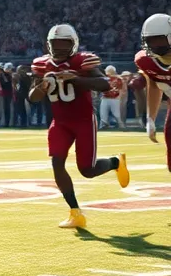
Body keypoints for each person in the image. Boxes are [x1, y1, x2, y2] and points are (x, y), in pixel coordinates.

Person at [29, 24, 129, 229]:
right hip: (60, 122)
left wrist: (76, 78)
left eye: (64, 43)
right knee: (57, 162)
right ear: (48, 45)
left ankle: (115, 162)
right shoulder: (42, 65)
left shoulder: (81, 61)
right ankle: (75, 212)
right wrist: (41, 87)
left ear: (73, 44)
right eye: (55, 43)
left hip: (83, 120)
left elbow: (104, 84)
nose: (59, 48)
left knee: (87, 170)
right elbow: (33, 97)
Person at [135, 13, 171, 170]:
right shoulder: (146, 60)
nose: (155, 45)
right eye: (150, 41)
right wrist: (150, 118)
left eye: (159, 40)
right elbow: (154, 84)